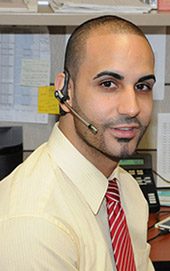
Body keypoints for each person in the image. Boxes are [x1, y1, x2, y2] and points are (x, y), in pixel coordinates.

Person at [0, 15, 156, 271]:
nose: (132, 108)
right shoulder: (35, 225)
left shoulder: (124, 188)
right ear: (65, 92)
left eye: (142, 86)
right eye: (108, 84)